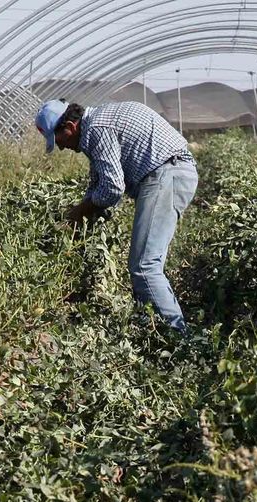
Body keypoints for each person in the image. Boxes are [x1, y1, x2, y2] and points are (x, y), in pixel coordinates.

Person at [35, 99, 198, 332]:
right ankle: (152, 329)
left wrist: (77, 213)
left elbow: (111, 188)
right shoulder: (97, 125)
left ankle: (178, 339)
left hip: (167, 174)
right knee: (147, 263)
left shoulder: (98, 129)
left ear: (70, 127)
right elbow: (98, 181)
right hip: (170, 173)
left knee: (144, 266)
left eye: (59, 140)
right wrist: (78, 218)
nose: (61, 147)